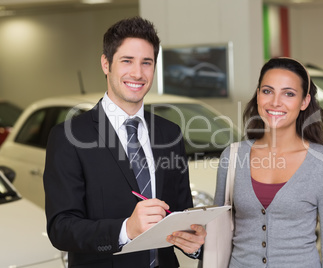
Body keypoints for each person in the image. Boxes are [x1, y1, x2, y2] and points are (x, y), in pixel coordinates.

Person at [44, 17, 206, 268]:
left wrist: (194, 244)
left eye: (146, 63)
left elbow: (181, 213)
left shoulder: (169, 133)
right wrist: (126, 229)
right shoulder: (69, 136)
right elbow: (61, 228)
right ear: (106, 63)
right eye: (127, 61)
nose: (137, 73)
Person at [214, 57, 323, 267]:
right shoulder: (232, 157)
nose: (275, 102)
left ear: (304, 101)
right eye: (267, 91)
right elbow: (216, 232)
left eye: (289, 93)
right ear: (258, 95)